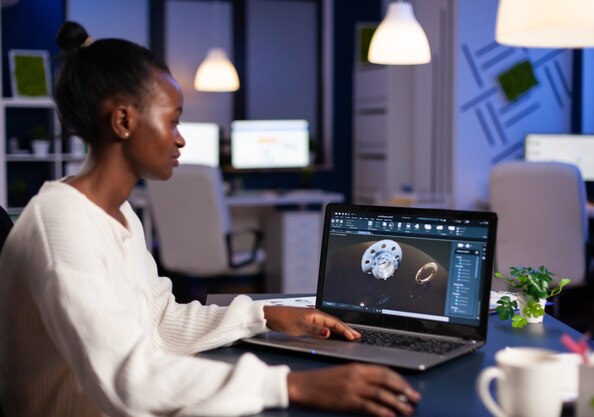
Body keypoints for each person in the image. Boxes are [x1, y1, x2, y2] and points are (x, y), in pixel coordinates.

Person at [0, 21, 420, 417]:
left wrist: (265, 315)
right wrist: (292, 385)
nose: (181, 137)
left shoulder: (120, 213)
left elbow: (159, 321)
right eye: (173, 120)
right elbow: (131, 378)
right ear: (124, 120)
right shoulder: (62, 224)